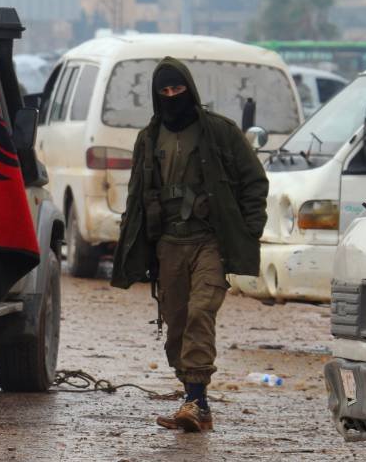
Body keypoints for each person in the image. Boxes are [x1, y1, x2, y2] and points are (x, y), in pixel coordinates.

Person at [111, 57, 268, 432]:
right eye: (164, 91)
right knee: (177, 324)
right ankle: (193, 396)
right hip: (168, 244)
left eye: (177, 90)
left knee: (201, 311)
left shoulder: (220, 132)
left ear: (189, 90)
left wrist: (248, 231)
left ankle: (196, 401)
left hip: (209, 241)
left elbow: (254, 183)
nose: (171, 97)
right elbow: (135, 198)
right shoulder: (148, 138)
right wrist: (133, 248)